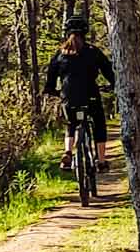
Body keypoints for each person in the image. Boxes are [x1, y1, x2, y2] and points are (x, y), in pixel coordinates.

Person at [43, 14, 115, 172]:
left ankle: (67, 152)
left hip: (68, 97)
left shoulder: (60, 54)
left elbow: (50, 78)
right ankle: (101, 161)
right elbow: (109, 72)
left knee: (71, 123)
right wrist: (113, 85)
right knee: (99, 125)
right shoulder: (93, 51)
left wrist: (52, 91)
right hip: (91, 95)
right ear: (85, 31)